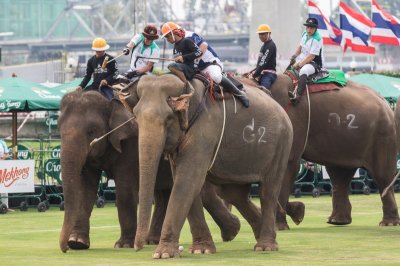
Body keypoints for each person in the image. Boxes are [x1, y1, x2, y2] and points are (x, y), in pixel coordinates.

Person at [161, 21, 249, 108]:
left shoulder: (190, 36)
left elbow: (203, 46)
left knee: (216, 77)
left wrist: (192, 61)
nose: (167, 40)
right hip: (195, 68)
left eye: (167, 36)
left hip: (209, 63)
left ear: (173, 33)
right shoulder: (176, 45)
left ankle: (239, 93)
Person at [288, 17, 324, 105]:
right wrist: (294, 56)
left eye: (311, 27)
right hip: (302, 60)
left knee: (303, 71)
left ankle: (297, 97)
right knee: (288, 70)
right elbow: (300, 47)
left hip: (314, 64)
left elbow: (311, 57)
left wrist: (299, 65)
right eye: (307, 27)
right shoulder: (304, 33)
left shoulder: (318, 39)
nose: (309, 29)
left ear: (316, 28)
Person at [0, 139, 9, 212]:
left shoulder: (2, 142)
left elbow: (7, 154)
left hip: (2, 167)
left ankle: (5, 207)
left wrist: (3, 157)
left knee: (4, 187)